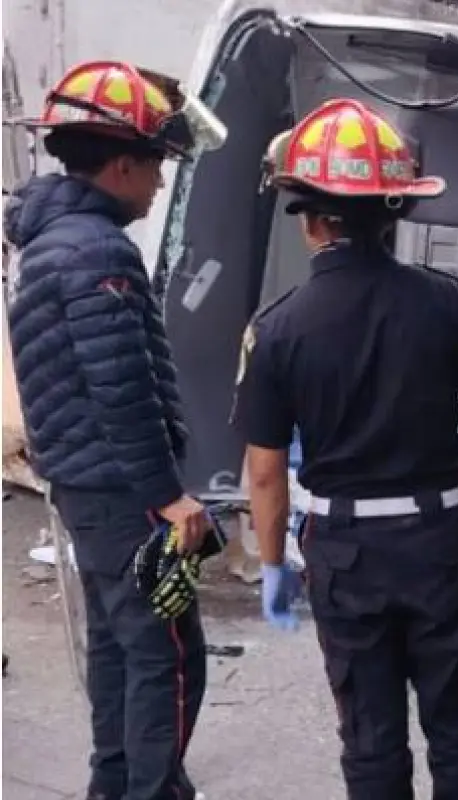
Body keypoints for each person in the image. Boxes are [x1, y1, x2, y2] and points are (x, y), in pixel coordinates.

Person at [230, 97, 458, 800]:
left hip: (344, 554)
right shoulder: (452, 303)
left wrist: (274, 563)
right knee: (457, 726)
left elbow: (267, 474)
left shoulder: (277, 331)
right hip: (440, 543)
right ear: (395, 210)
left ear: (308, 219)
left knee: (370, 737)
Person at [4, 60, 226, 800]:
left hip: (82, 482)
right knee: (170, 655)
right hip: (124, 491)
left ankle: (114, 783)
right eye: (158, 167)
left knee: (117, 644)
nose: (161, 184)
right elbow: (120, 389)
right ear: (123, 164)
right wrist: (169, 497)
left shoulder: (47, 242)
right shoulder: (100, 252)